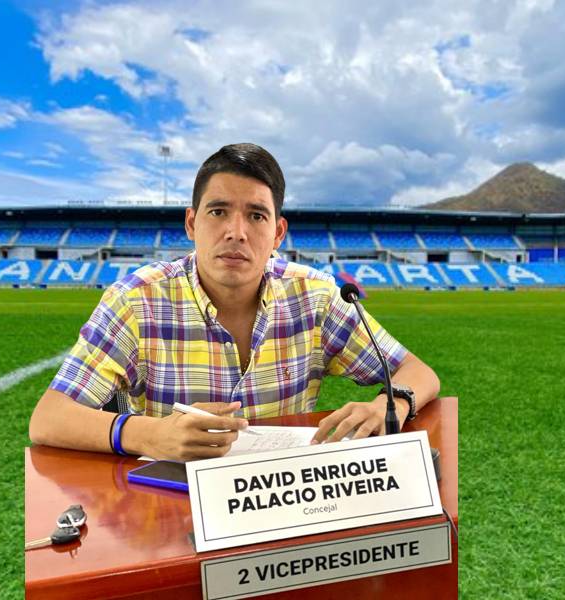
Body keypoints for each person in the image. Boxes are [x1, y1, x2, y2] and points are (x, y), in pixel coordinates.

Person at [29, 143, 439, 461]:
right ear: (192, 223)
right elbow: (49, 418)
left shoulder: (316, 297)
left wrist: (390, 403)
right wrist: (150, 434)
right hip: (174, 505)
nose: (236, 232)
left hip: (284, 498)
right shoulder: (136, 301)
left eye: (256, 216)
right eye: (219, 212)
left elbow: (417, 372)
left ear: (278, 233)